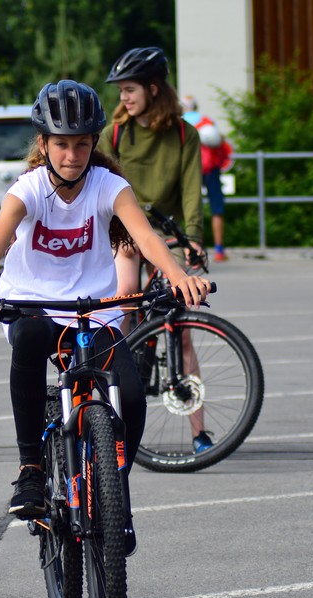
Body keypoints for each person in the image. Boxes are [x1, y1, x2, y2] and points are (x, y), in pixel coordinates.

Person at [0, 80, 210, 521]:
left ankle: (113, 483)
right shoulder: (28, 189)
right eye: (62, 145)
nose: (72, 156)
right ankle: (31, 468)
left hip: (92, 309)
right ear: (44, 144)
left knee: (129, 392)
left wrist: (179, 275)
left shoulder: (108, 185)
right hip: (32, 303)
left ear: (94, 143)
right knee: (30, 339)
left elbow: (145, 237)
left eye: (82, 145)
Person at [99, 46, 215, 454]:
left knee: (181, 332)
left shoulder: (185, 134)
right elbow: (103, 189)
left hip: (165, 235)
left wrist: (194, 238)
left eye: (129, 90)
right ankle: (110, 417)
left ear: (153, 88)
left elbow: (190, 192)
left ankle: (199, 432)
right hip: (125, 233)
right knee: (123, 305)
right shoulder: (115, 134)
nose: (123, 99)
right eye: (120, 91)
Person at [181, 95, 233, 262]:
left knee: (191, 208)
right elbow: (221, 143)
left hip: (190, 170)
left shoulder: (179, 123)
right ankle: (219, 250)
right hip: (211, 168)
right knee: (217, 208)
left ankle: (194, 248)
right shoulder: (207, 121)